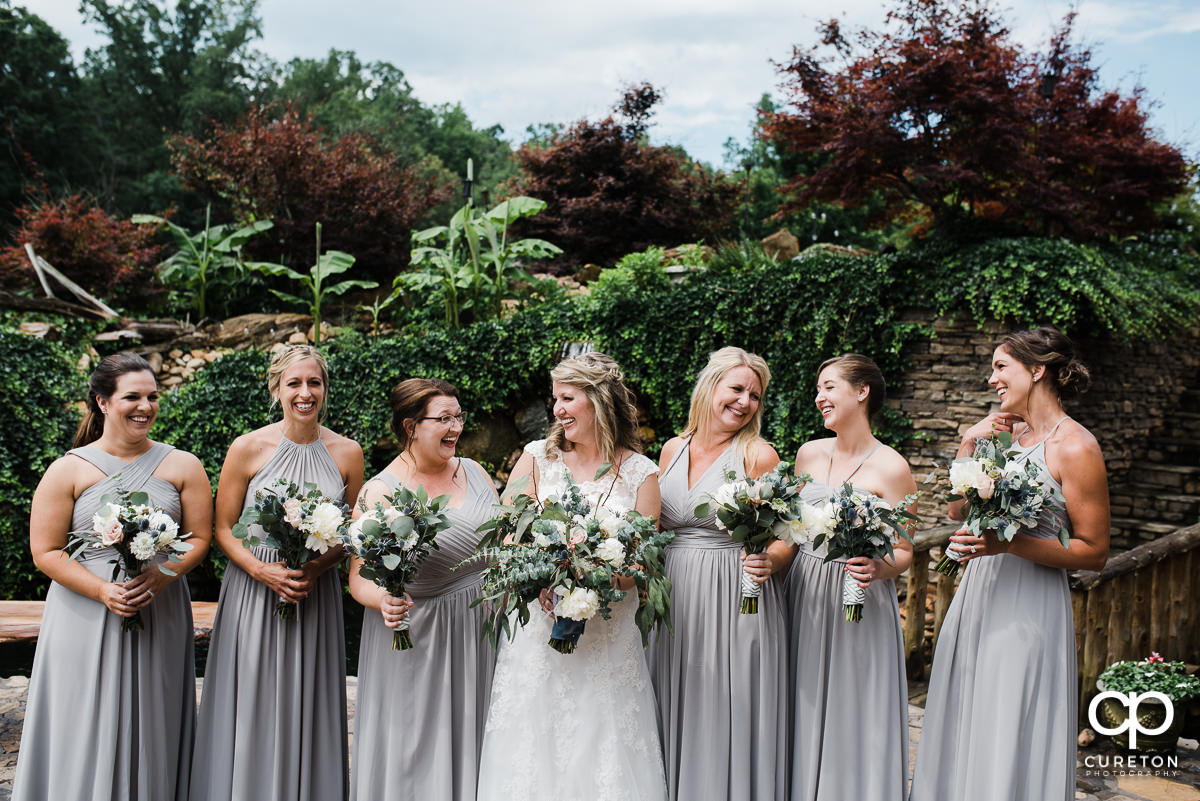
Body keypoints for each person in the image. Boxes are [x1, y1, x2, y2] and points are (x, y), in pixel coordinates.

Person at [909, 326, 1109, 801]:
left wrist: (1011, 546)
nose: (991, 378)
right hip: (978, 593)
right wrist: (967, 443)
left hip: (1028, 605)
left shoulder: (1076, 447)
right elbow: (958, 513)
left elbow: (1095, 553)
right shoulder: (1003, 436)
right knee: (967, 708)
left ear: (1038, 370)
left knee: (1008, 712)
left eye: (1001, 367)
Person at [13, 352, 212, 801]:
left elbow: (200, 538)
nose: (145, 406)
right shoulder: (68, 469)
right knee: (81, 715)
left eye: (152, 396)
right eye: (132, 397)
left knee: (155, 712)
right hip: (83, 610)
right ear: (102, 402)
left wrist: (162, 575)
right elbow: (45, 551)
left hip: (157, 605)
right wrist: (103, 590)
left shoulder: (183, 465)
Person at [476, 352, 667, 801]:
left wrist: (591, 580)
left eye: (567, 397)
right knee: (533, 742)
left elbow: (642, 565)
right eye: (554, 399)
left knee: (603, 745)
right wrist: (544, 579)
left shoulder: (642, 472)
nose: (557, 409)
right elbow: (509, 537)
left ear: (598, 400)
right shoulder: (537, 458)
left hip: (608, 635)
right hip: (538, 633)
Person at [191, 345, 363, 801]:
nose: (305, 393)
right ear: (276, 389)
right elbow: (222, 528)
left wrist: (316, 566)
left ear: (325, 389)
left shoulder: (347, 452)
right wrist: (261, 571)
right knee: (250, 697)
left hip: (314, 590)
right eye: (294, 383)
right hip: (254, 589)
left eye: (314, 383)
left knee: (308, 700)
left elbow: (350, 532)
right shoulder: (247, 447)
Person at [647, 346, 790, 801]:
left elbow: (791, 534)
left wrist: (773, 560)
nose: (745, 401)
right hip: (671, 593)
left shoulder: (758, 455)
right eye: (737, 389)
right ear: (710, 387)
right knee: (670, 695)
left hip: (733, 595)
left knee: (723, 702)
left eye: (755, 395)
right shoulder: (672, 448)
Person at [348, 378, 498, 800]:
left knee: (481, 734)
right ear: (411, 426)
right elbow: (358, 576)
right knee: (415, 748)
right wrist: (383, 599)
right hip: (419, 634)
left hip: (481, 629)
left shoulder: (475, 471)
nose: (456, 427)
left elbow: (505, 541)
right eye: (444, 418)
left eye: (459, 416)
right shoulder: (382, 491)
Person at [788, 354, 916, 801]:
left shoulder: (893, 467)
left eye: (828, 387)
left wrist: (879, 567)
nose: (819, 397)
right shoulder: (808, 453)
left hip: (857, 597)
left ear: (861, 392)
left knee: (852, 702)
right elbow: (792, 528)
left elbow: (905, 550)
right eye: (818, 389)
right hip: (802, 591)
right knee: (800, 697)